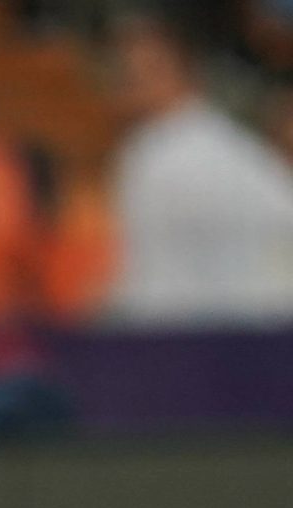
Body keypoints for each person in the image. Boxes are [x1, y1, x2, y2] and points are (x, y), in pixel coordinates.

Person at [103, 9, 293, 327]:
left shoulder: (228, 150)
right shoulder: (152, 148)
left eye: (148, 70)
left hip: (219, 330)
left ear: (184, 70)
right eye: (128, 73)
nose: (133, 84)